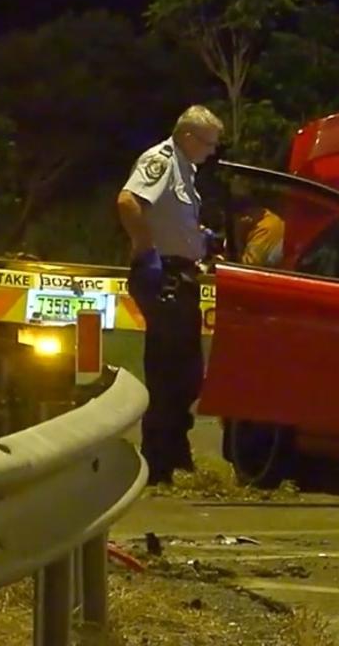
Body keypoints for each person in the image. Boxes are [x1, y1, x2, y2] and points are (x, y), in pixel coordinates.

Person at [116, 105, 223, 485]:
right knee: (167, 371)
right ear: (189, 137)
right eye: (209, 143)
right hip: (165, 276)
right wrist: (145, 252)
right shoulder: (160, 160)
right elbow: (128, 203)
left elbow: (172, 218)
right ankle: (158, 462)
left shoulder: (185, 169)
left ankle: (175, 452)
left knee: (187, 372)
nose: (212, 152)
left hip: (182, 274)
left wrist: (200, 238)